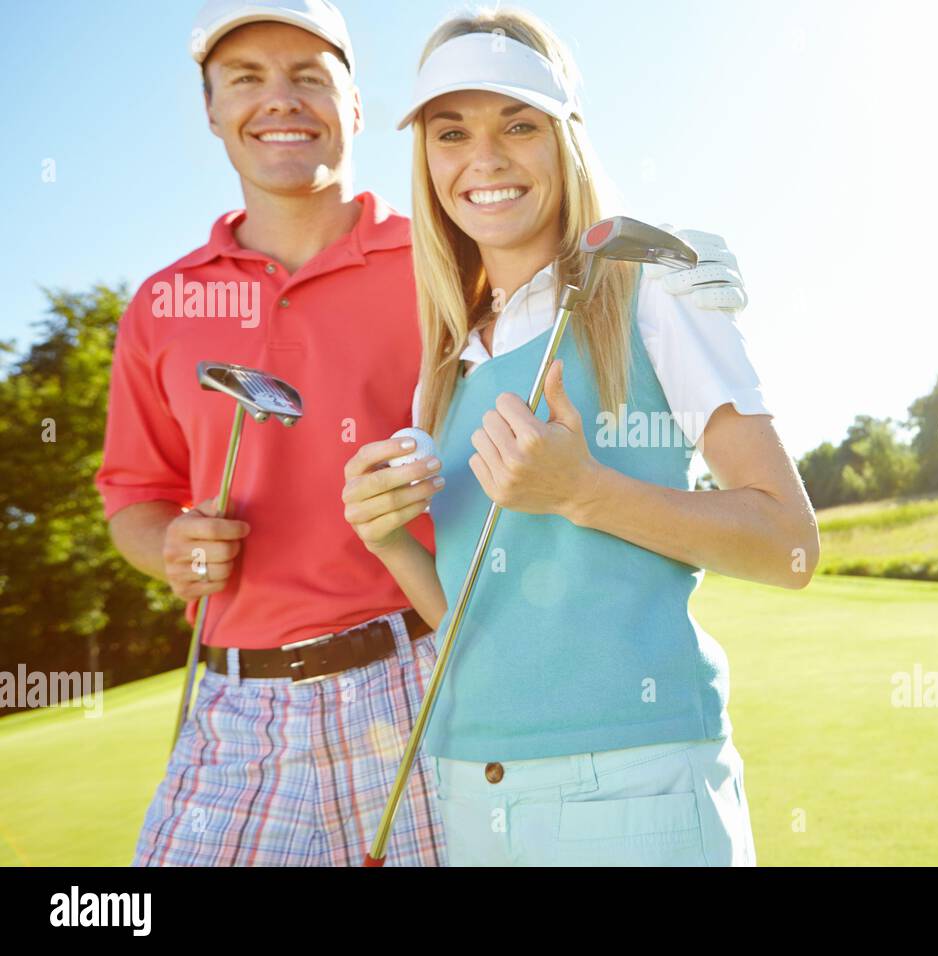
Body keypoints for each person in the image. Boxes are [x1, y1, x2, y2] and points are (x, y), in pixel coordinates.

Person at [96, 0, 749, 867]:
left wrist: (687, 257)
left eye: (308, 77)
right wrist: (171, 543)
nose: (280, 100)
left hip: (427, 664)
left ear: (357, 107)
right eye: (246, 79)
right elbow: (133, 498)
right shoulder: (162, 305)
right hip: (235, 692)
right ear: (211, 109)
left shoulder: (452, 259)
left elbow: (570, 255)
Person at [342, 8, 818, 866]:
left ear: (566, 138)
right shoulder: (443, 365)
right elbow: (473, 628)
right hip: (468, 790)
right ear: (426, 160)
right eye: (452, 132)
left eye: (518, 124)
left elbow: (789, 546)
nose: (483, 158)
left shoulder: (655, 287)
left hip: (636, 784)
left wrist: (585, 492)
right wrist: (390, 545)